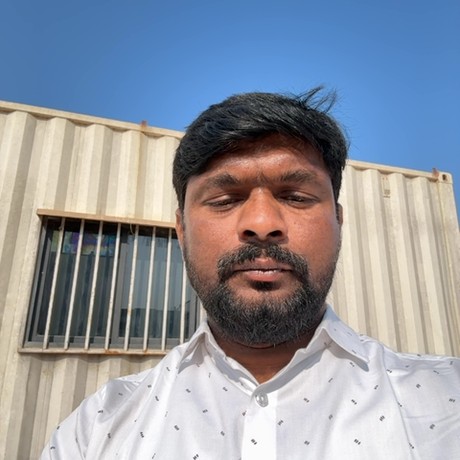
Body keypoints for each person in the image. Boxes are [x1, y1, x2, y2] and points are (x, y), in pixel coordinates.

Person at [41, 89, 460, 459]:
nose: (261, 223)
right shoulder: (97, 428)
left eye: (296, 196)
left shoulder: (447, 403)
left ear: (338, 220)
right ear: (181, 230)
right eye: (225, 199)